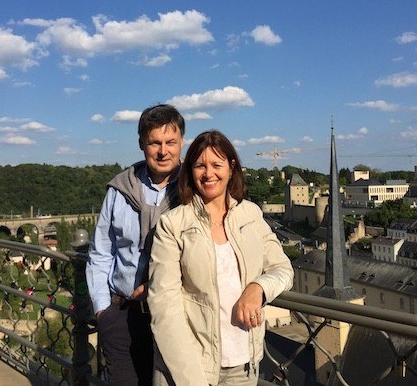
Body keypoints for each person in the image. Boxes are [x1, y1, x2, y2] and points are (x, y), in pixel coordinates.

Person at [148, 130, 294, 386]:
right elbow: (164, 308)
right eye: (200, 165)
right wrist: (192, 380)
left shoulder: (250, 215)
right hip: (191, 370)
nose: (208, 174)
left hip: (243, 367)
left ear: (231, 167)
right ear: (190, 171)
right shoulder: (173, 225)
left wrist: (258, 287)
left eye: (217, 164)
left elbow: (284, 269)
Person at [86, 104, 185, 385]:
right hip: (122, 315)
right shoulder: (120, 189)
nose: (163, 151)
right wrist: (103, 310)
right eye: (155, 143)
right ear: (142, 144)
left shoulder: (192, 189)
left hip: (173, 318)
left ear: (181, 143)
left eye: (170, 142)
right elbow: (101, 251)